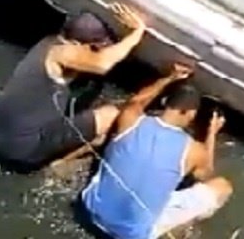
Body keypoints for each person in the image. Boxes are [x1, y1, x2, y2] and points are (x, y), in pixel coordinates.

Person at [0, 3, 147, 172]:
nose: (99, 52)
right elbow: (102, 64)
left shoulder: (49, 43)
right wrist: (136, 34)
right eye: (95, 48)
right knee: (111, 116)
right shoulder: (63, 54)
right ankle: (60, 166)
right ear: (76, 44)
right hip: (22, 149)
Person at [81, 64, 233, 239]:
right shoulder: (193, 150)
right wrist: (212, 133)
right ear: (190, 115)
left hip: (91, 211)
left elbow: (137, 101)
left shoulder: (131, 119)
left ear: (164, 102)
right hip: (130, 235)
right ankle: (178, 229)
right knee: (222, 187)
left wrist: (169, 78)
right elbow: (206, 174)